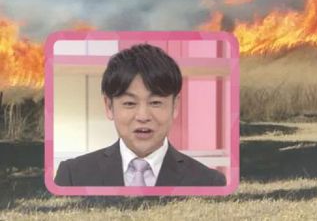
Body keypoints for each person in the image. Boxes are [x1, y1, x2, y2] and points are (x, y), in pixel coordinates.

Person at [53, 44, 226, 187]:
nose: (143, 116)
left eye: (156, 102)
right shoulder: (72, 176)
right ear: (108, 106)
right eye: (129, 103)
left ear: (175, 105)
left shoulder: (209, 183)